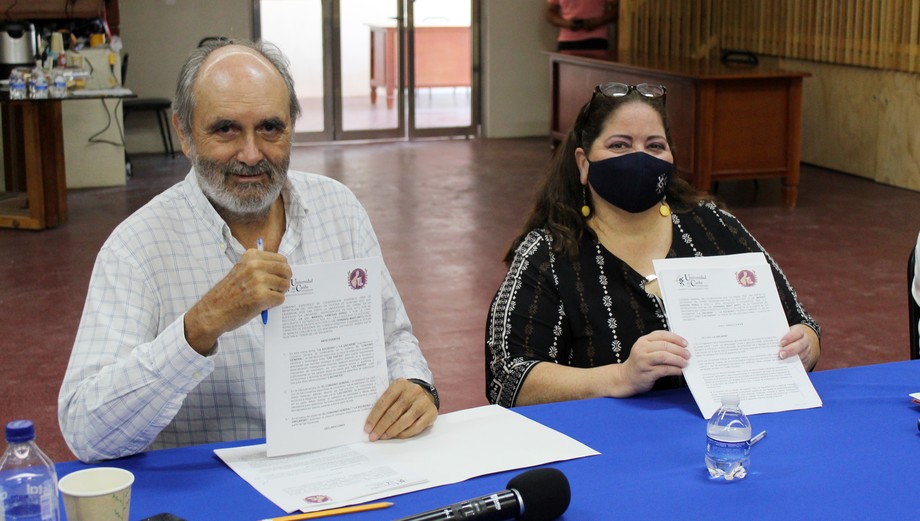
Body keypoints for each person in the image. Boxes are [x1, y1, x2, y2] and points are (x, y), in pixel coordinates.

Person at [59, 39, 439, 463]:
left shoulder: (338, 208)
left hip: (343, 468)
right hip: (215, 490)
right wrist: (197, 329)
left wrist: (415, 384)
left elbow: (392, 335)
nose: (252, 154)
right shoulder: (137, 248)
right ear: (184, 133)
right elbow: (86, 431)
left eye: (270, 128)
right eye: (226, 129)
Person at [485, 82, 820, 408]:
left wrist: (806, 344)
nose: (639, 159)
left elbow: (801, 322)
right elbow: (508, 379)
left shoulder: (714, 226)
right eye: (620, 145)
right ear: (584, 163)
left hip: (727, 432)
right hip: (608, 445)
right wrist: (619, 377)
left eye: (654, 146)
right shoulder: (550, 253)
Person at [545, 0, 619, 51]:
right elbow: (550, 14)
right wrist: (567, 24)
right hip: (567, 41)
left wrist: (597, 21)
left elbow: (617, 10)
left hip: (596, 40)